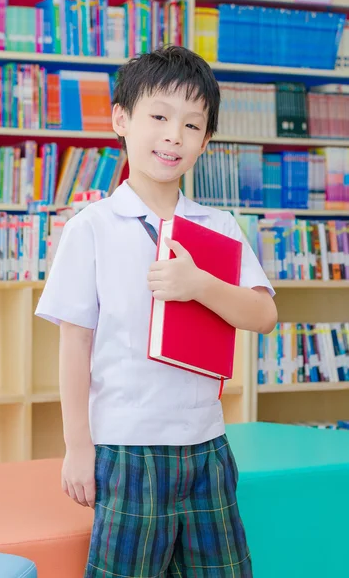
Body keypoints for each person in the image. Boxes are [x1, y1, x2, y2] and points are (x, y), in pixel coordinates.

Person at [35, 45, 277, 578]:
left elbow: (261, 316)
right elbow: (75, 343)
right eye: (160, 116)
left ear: (206, 140)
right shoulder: (92, 227)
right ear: (121, 119)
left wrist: (198, 284)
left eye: (193, 125)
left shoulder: (218, 226)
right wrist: (78, 447)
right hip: (127, 448)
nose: (174, 136)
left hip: (206, 445)